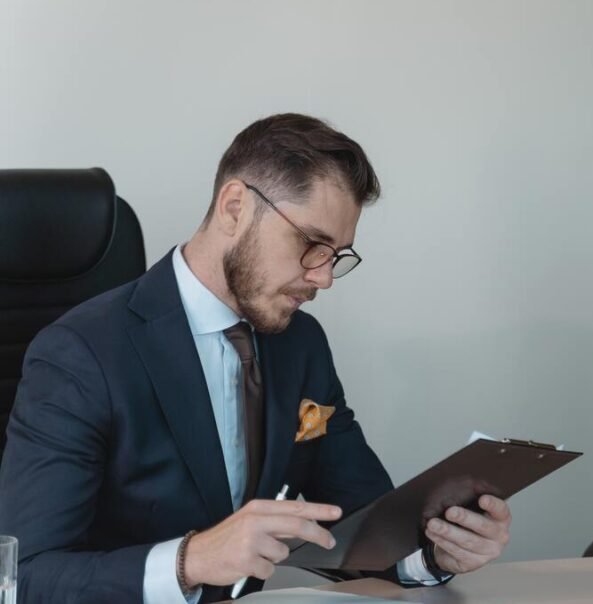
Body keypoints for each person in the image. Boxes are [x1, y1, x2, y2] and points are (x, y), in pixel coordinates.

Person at [0, 113, 511, 603]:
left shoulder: (301, 343)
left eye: (337, 256)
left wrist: (435, 552)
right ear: (234, 207)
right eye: (312, 244)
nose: (324, 277)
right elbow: (24, 577)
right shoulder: (80, 354)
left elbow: (357, 522)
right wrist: (191, 560)